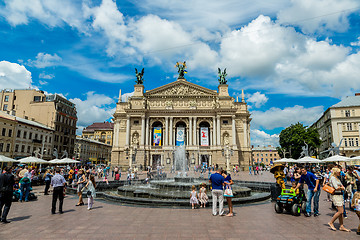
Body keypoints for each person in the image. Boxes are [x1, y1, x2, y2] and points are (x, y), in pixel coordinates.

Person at [328, 167, 350, 232]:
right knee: (340, 211)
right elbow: (336, 187)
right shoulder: (333, 178)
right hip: (336, 196)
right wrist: (342, 188)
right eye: (339, 172)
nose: (340, 173)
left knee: (341, 212)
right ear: (335, 172)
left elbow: (341, 185)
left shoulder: (337, 178)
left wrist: (342, 187)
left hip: (340, 195)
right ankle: (331, 222)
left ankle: (341, 226)